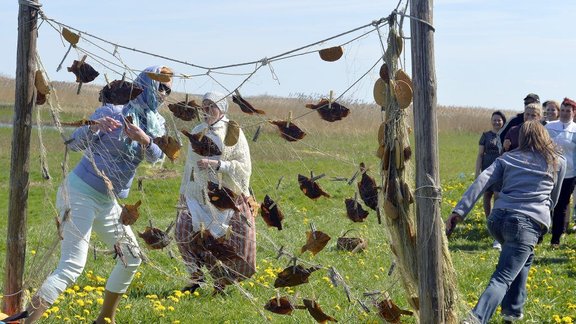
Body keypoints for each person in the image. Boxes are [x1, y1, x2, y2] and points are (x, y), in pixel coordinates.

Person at [25, 66, 173, 323]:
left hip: (108, 201)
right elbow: (73, 144)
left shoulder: (154, 123)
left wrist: (145, 140)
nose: (164, 93)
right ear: (146, 84)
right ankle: (26, 320)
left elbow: (159, 157)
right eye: (161, 86)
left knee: (132, 256)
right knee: (72, 266)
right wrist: (96, 127)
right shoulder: (112, 111)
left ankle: (105, 319)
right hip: (79, 193)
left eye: (169, 89)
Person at [446, 121, 566, 324]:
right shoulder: (557, 162)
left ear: (521, 138)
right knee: (502, 277)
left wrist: (459, 211)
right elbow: (554, 197)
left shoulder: (507, 158)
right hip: (527, 224)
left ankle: (512, 310)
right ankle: (476, 318)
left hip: (498, 220)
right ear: (545, 136)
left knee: (523, 257)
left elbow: (482, 181)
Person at [175, 92, 256, 295]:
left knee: (219, 242)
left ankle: (220, 283)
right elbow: (189, 165)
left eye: (212, 106)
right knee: (183, 231)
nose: (207, 110)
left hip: (223, 197)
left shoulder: (232, 130)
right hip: (197, 194)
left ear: (222, 108)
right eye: (204, 106)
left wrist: (218, 164)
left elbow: (244, 166)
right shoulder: (198, 129)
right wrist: (183, 191)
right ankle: (195, 276)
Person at [546, 98, 576, 248]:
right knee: (546, 203)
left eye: (568, 111)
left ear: (573, 112)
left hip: (569, 174)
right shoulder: (550, 126)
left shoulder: (575, 130)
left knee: (562, 205)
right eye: (562, 110)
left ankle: (555, 240)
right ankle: (539, 235)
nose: (564, 114)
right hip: (549, 171)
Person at [475, 111, 506, 250]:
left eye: (499, 120)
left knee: (498, 197)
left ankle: (497, 223)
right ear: (491, 121)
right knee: (487, 196)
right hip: (487, 170)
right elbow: (480, 155)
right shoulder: (485, 136)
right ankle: (489, 222)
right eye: (494, 120)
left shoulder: (506, 135)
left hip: (500, 172)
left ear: (503, 122)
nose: (496, 122)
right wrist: (477, 173)